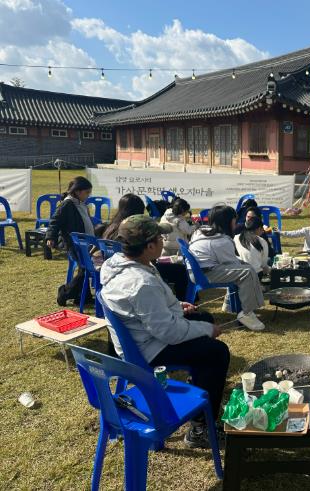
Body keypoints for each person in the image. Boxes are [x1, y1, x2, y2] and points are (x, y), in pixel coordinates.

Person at [100, 214, 229, 448]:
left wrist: (176, 306)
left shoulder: (119, 262)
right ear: (149, 246)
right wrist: (207, 330)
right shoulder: (141, 282)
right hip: (149, 348)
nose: (163, 241)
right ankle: (200, 428)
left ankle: (200, 383)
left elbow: (146, 308)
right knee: (217, 351)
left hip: (144, 334)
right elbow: (169, 332)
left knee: (204, 317)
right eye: (159, 238)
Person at [189, 205, 266, 331]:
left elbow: (227, 260)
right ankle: (247, 312)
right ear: (228, 222)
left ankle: (245, 308)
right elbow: (232, 263)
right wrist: (246, 265)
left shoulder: (200, 231)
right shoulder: (222, 240)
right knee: (248, 272)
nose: (236, 224)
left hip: (196, 271)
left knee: (247, 268)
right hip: (206, 273)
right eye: (234, 221)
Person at [102, 194, 190, 302]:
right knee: (180, 271)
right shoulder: (135, 230)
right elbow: (144, 255)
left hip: (117, 267)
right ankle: (184, 301)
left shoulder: (111, 227)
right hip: (136, 267)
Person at [46, 176, 96, 306]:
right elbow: (54, 221)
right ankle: (64, 293)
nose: (88, 195)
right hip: (74, 244)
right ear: (78, 191)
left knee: (83, 269)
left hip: (84, 243)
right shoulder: (67, 204)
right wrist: (50, 237)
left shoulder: (80, 203)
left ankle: (83, 297)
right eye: (87, 192)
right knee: (85, 269)